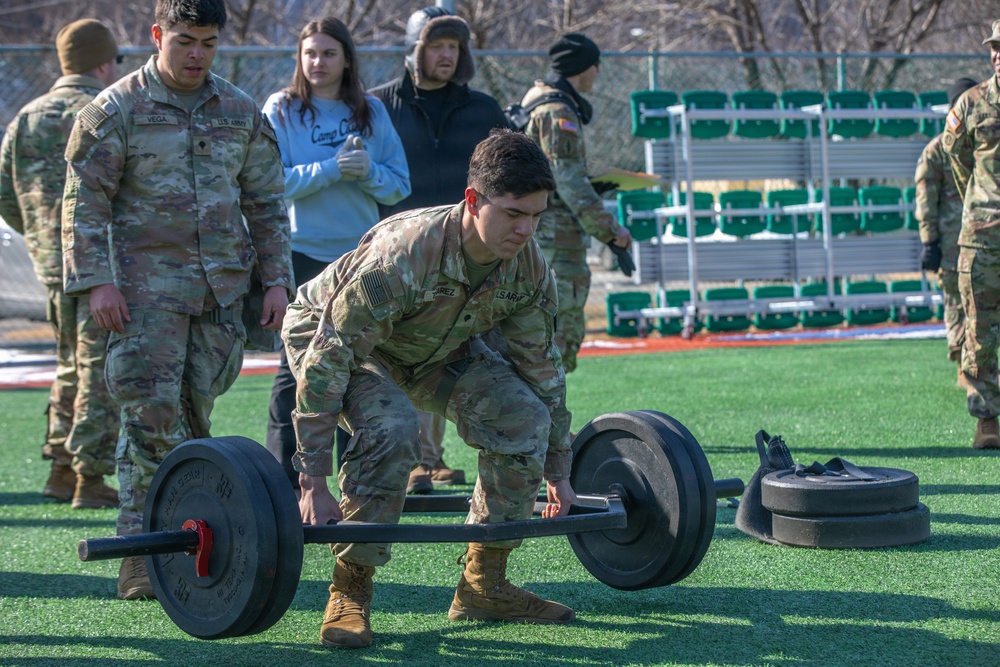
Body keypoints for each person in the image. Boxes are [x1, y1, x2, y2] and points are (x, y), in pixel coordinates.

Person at [284, 129, 577, 649]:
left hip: (432, 348)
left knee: (523, 419)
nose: (525, 230)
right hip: (337, 340)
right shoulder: (405, 253)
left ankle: (483, 585)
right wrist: (312, 480)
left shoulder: (528, 266)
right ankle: (350, 589)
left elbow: (542, 369)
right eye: (513, 214)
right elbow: (331, 356)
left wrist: (558, 469)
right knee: (393, 427)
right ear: (473, 201)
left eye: (536, 215)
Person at [62, 0, 293, 599]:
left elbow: (266, 202)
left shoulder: (238, 110)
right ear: (157, 35)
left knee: (194, 419)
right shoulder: (115, 110)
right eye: (185, 40)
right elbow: (84, 203)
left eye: (208, 43)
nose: (197, 55)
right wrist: (97, 281)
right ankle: (140, 556)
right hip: (142, 297)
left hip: (219, 293)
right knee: (150, 420)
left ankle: (189, 541)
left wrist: (276, 280)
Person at [263, 17, 410, 492]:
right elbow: (271, 182)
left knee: (359, 367)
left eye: (328, 53)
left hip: (359, 259)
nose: (318, 62)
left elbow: (399, 185)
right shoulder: (281, 108)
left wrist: (367, 173)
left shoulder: (371, 110)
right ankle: (286, 485)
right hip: (302, 255)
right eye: (310, 53)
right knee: (295, 370)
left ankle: (357, 483)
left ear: (347, 59)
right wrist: (331, 168)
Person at [371, 6, 510, 495]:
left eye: (454, 46)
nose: (446, 55)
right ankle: (411, 460)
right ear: (414, 50)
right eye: (436, 45)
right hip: (397, 251)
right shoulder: (377, 105)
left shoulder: (483, 109)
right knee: (399, 352)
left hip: (466, 250)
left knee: (447, 349)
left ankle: (431, 458)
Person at [0, 19, 123, 509]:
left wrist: (41, 236)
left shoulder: (26, 117)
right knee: (98, 368)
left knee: (69, 363)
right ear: (103, 62)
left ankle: (59, 466)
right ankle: (88, 476)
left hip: (52, 265)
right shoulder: (104, 110)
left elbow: (5, 195)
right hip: (102, 263)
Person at [520, 33, 632, 375]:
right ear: (582, 67)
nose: (598, 71)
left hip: (545, 234)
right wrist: (611, 231)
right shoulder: (558, 110)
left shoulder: (542, 101)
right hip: (556, 240)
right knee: (557, 336)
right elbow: (567, 180)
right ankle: (547, 409)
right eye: (596, 64)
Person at [943, 19, 1000, 450]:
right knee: (980, 330)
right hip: (982, 238)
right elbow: (956, 155)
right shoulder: (971, 102)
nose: (998, 55)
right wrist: (979, 202)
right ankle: (987, 421)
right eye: (995, 48)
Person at [915, 77, 978, 388]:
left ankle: (979, 363)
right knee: (955, 301)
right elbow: (925, 201)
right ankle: (963, 365)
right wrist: (930, 242)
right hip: (952, 242)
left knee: (982, 304)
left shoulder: (985, 144)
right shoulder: (937, 151)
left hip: (984, 238)